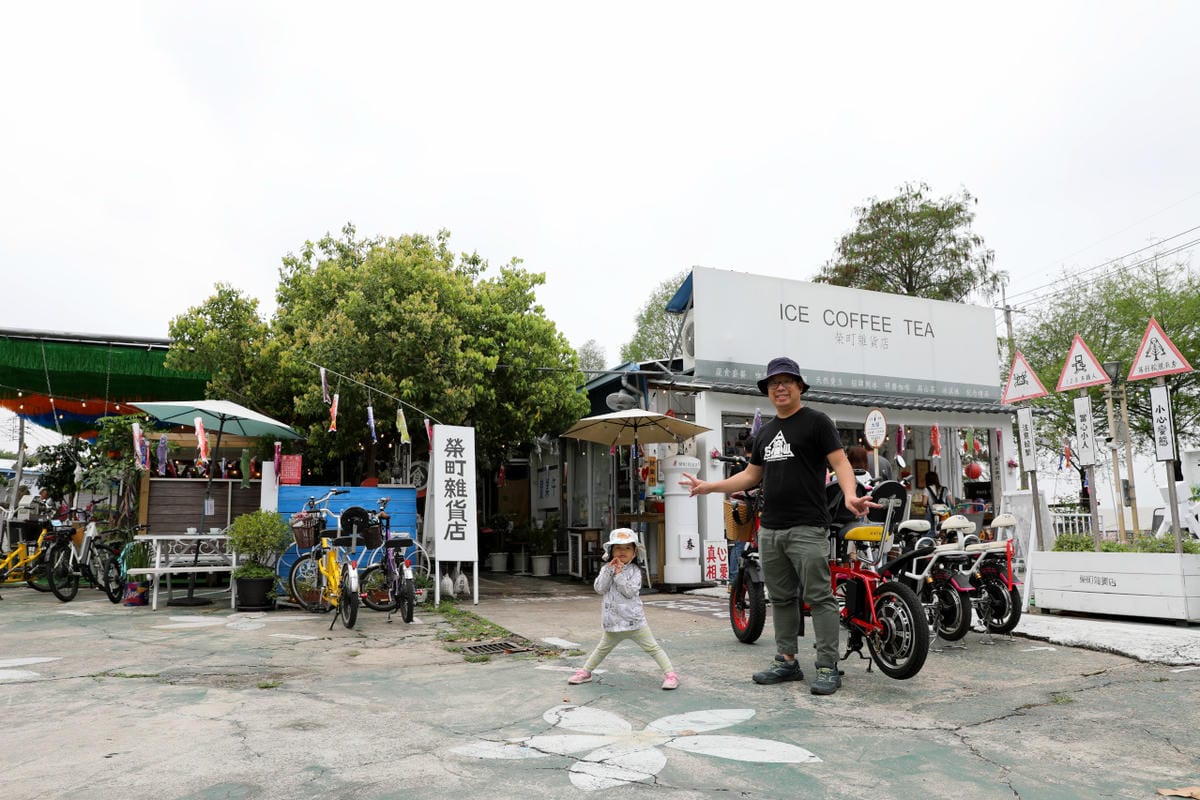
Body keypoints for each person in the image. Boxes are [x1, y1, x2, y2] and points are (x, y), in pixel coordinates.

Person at [680, 356, 875, 696]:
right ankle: (786, 661)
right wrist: (709, 486)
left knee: (820, 597)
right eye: (773, 383)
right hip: (770, 528)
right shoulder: (766, 433)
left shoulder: (817, 423)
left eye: (786, 381)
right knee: (782, 598)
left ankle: (828, 666)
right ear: (768, 391)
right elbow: (751, 476)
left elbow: (840, 462)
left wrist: (848, 494)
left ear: (800, 387)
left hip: (808, 526)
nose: (779, 387)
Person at [568, 528, 679, 690]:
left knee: (653, 648)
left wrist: (619, 574)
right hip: (612, 623)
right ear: (611, 551)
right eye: (618, 548)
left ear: (634, 553)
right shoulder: (606, 569)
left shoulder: (635, 572)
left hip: (634, 623)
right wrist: (609, 571)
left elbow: (630, 592)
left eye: (628, 548)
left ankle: (671, 675)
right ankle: (586, 672)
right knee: (601, 649)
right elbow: (600, 588)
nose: (622, 552)